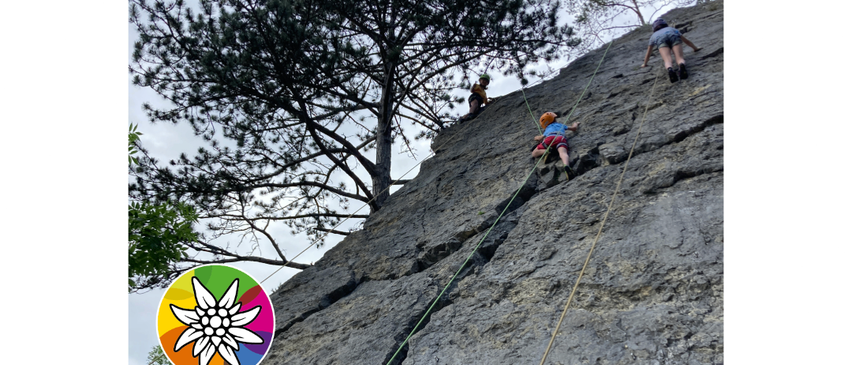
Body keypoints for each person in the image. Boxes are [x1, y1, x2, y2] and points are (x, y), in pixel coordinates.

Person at [640, 18, 701, 83]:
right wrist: (695, 48)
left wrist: (645, 63)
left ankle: (670, 69)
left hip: (661, 41)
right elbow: (686, 41)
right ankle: (681, 65)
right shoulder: (672, 29)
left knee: (667, 60)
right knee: (679, 58)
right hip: (674, 37)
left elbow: (649, 52)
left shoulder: (653, 36)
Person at [531, 112, 580, 179]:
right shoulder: (560, 125)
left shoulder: (547, 128)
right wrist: (576, 123)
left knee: (534, 153)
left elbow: (540, 138)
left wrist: (536, 138)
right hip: (560, 138)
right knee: (563, 153)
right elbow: (574, 128)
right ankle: (566, 165)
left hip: (549, 139)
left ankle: (547, 151)